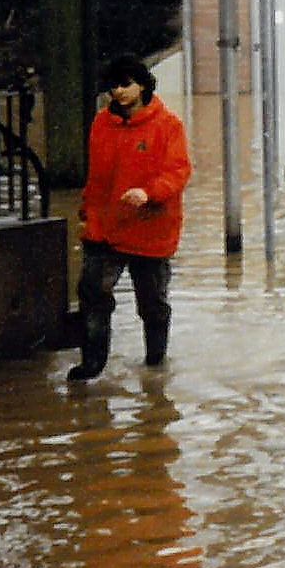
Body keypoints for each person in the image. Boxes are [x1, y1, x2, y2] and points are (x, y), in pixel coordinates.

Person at [69, 54, 193, 383]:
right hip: (106, 227)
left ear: (142, 85)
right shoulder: (101, 124)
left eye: (126, 84)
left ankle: (155, 362)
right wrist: (87, 213)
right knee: (93, 291)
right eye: (114, 86)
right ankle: (93, 364)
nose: (119, 92)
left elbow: (178, 171)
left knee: (151, 301)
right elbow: (97, 178)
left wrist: (149, 193)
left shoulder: (168, 125)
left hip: (151, 228)